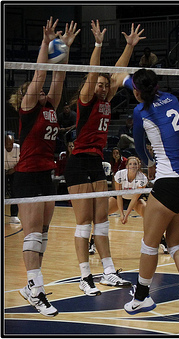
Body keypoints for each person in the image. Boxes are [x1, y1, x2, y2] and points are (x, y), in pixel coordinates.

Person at [65, 20, 144, 296]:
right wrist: (98, 44)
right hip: (78, 162)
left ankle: (108, 271)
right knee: (84, 221)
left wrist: (129, 46)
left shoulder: (106, 98)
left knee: (101, 219)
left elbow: (118, 72)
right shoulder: (87, 98)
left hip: (96, 162)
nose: (101, 86)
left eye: (103, 84)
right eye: (98, 84)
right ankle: (84, 276)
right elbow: (93, 72)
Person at [122, 68, 179, 329]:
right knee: (176, 243)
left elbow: (138, 146)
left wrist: (147, 164)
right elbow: (138, 87)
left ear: (137, 92)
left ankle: (141, 298)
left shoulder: (140, 112)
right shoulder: (171, 97)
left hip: (170, 183)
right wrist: (126, 80)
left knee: (149, 244)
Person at [8, 17, 79, 317]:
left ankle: (31, 287)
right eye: (36, 91)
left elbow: (58, 78)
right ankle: (35, 290)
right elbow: (41, 73)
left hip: (46, 176)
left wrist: (63, 47)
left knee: (43, 234)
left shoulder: (50, 107)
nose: (42, 91)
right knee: (32, 235)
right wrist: (46, 42)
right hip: (27, 176)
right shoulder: (29, 109)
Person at [108, 156, 148, 224]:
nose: (132, 166)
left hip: (135, 200)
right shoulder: (120, 174)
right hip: (120, 198)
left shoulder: (142, 178)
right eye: (130, 164)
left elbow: (135, 198)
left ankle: (159, 234)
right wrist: (121, 214)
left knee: (148, 214)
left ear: (138, 166)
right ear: (126, 166)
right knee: (101, 212)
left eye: (135, 164)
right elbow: (119, 195)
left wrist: (126, 215)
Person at [5, 133, 20, 224]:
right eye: (7, 143)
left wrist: (14, 169)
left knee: (15, 193)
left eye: (11, 143)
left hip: (14, 171)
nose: (9, 145)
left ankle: (14, 216)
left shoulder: (17, 148)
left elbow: (22, 161)